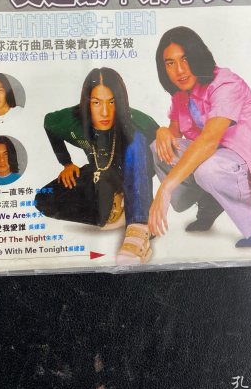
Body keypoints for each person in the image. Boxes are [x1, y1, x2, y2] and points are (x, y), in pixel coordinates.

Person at [149, 26, 251, 248]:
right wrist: (163, 131)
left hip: (247, 164)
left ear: (197, 54)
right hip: (216, 161)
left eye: (185, 59)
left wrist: (165, 189)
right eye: (170, 63)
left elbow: (208, 141)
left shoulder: (226, 84)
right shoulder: (181, 93)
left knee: (208, 170)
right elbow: (174, 133)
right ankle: (210, 199)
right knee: (158, 147)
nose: (179, 70)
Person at [35, 67, 159, 265]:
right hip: (101, 172)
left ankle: (139, 225)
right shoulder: (72, 119)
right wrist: (66, 163)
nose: (105, 111)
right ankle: (114, 209)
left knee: (136, 139)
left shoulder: (133, 118)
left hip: (134, 171)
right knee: (43, 199)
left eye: (112, 102)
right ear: (86, 102)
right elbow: (48, 123)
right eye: (96, 102)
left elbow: (159, 136)